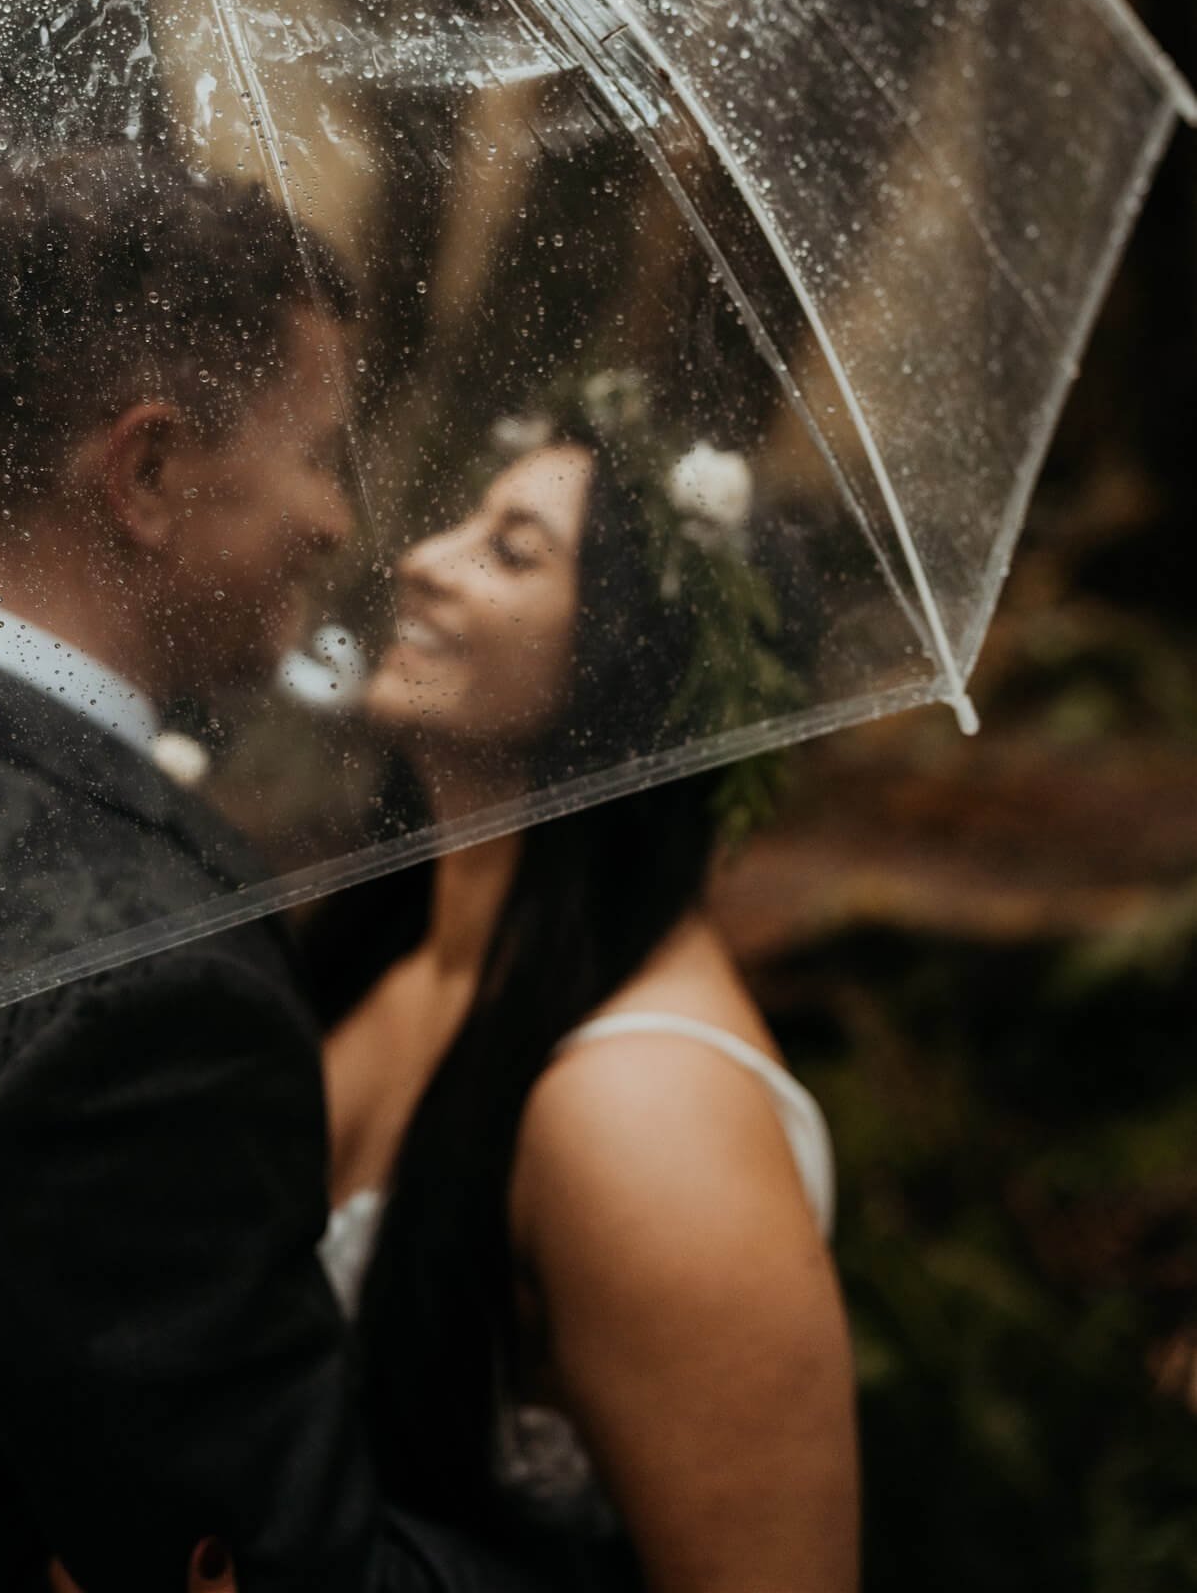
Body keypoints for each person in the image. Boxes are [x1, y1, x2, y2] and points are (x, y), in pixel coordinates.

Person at [0, 149, 616, 1593]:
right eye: (316, 453)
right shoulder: (143, 998)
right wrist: (589, 1545)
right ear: (148, 471)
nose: (336, 522)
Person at [311, 383, 860, 1592]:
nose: (419, 563)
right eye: (462, 523)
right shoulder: (386, 944)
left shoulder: (643, 1106)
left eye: (510, 550)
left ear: (630, 659)